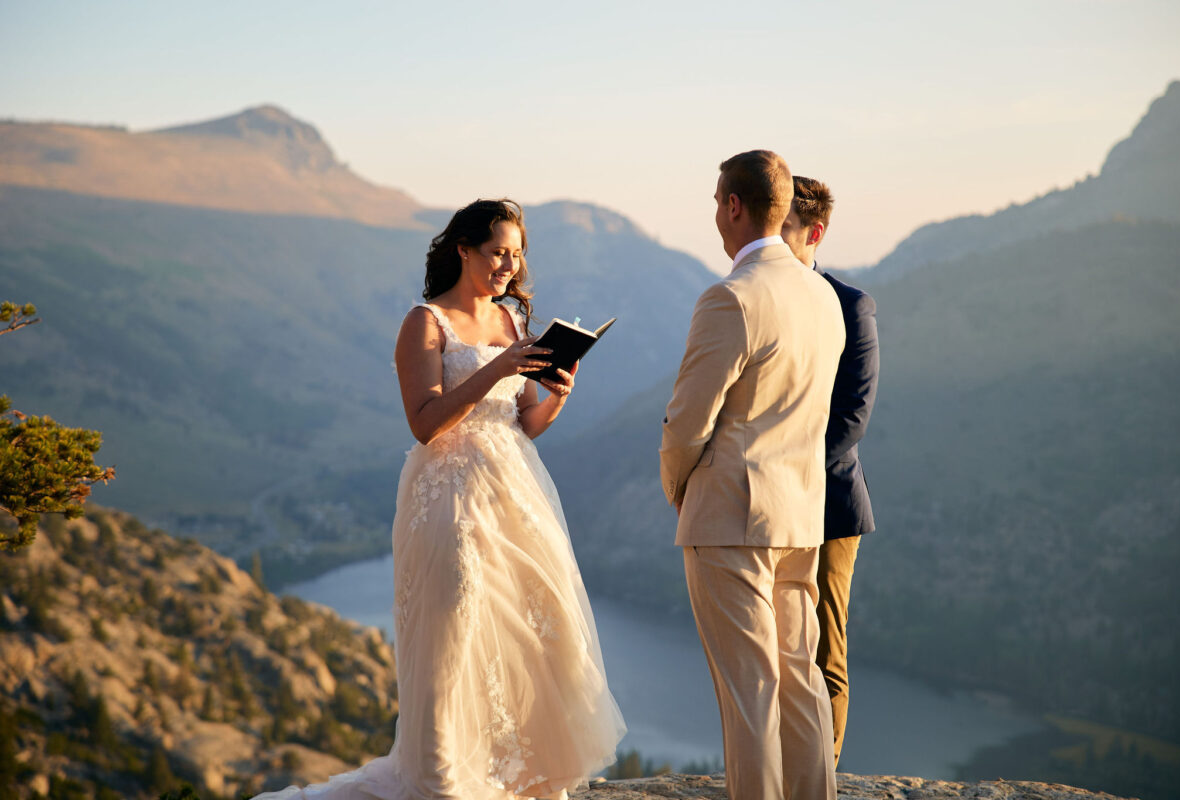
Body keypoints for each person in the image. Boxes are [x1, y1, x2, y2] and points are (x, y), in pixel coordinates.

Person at [254, 198, 625, 800]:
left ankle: (519, 774)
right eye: (498, 251)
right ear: (464, 250)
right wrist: (500, 365)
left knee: (529, 632)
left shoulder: (511, 321)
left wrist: (559, 392)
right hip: (447, 495)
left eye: (516, 254)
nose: (509, 264)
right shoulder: (425, 322)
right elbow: (424, 422)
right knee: (452, 630)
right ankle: (443, 779)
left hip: (515, 491)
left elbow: (522, 423)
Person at [660, 151, 845, 800]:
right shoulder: (822, 295)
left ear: (734, 206)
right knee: (799, 685)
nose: (715, 212)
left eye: (717, 200)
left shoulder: (730, 298)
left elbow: (685, 424)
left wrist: (678, 490)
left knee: (750, 698)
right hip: (801, 516)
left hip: (731, 517)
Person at [780, 176, 879, 767]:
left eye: (785, 229)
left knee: (823, 654)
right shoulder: (756, 298)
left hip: (828, 504)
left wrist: (780, 475)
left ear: (813, 233)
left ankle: (822, 778)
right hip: (763, 505)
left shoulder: (851, 305)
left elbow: (852, 418)